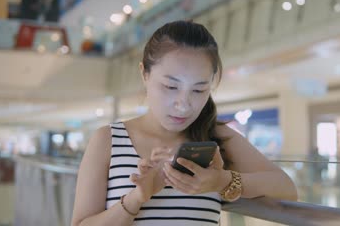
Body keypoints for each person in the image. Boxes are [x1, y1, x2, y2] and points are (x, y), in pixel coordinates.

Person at [71, 20, 298, 226]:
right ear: (145, 74)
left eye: (199, 90)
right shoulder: (109, 140)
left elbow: (286, 189)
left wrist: (222, 181)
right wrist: (137, 198)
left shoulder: (214, 137)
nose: (184, 105)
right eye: (171, 87)